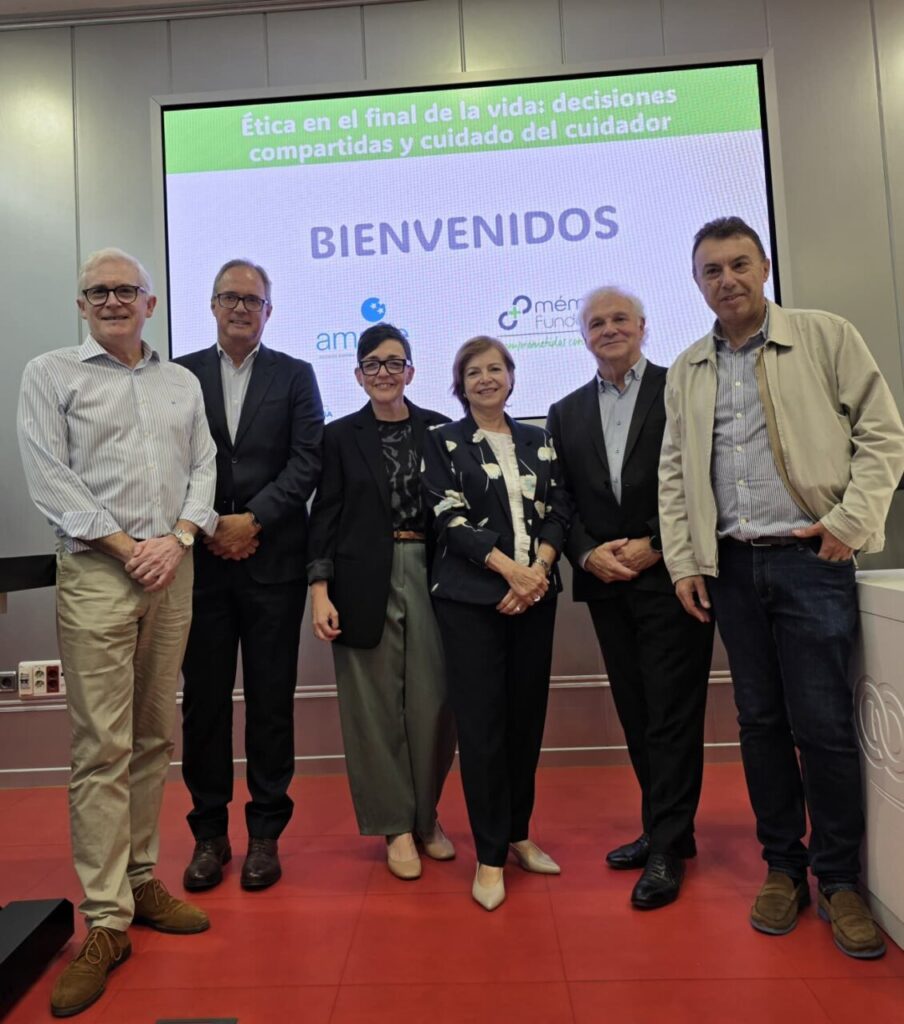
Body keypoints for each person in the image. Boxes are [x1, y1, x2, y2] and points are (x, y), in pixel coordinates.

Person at [659, 216, 904, 958]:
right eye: (711, 270)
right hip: (732, 568)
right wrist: (684, 562)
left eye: (739, 264)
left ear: (764, 267)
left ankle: (840, 880)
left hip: (811, 560)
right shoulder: (688, 368)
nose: (727, 280)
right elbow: (675, 473)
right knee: (760, 724)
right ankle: (783, 867)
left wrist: (849, 523)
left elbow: (884, 434)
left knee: (823, 726)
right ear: (696, 282)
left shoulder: (824, 336)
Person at [17, 248, 218, 1018]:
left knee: (153, 735)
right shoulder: (50, 374)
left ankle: (139, 881)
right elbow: (50, 479)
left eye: (124, 290)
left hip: (173, 569)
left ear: (150, 303)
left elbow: (204, 468)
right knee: (101, 745)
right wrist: (130, 547)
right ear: (81, 304)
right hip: (100, 572)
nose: (111, 300)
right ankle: (106, 921)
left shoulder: (181, 382)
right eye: (96, 291)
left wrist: (179, 537)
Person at [547, 287, 714, 909]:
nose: (609, 329)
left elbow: (703, 478)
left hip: (673, 576)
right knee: (638, 712)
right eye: (597, 322)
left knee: (672, 714)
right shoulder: (564, 411)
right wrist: (587, 553)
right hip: (606, 581)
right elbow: (559, 498)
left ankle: (667, 848)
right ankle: (666, 829)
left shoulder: (680, 389)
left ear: (643, 326)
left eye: (620, 319)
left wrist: (657, 545)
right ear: (583, 336)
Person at [175, 259, 323, 893]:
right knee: (203, 706)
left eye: (252, 300)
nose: (241, 308)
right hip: (200, 563)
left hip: (274, 565)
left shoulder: (295, 375)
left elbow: (307, 459)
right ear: (212, 305)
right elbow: (167, 461)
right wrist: (213, 524)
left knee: (270, 703)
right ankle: (209, 835)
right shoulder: (179, 375)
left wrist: (253, 519)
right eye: (230, 298)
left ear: (269, 310)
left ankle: (266, 833)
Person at [421, 336, 571, 911]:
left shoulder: (539, 440)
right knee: (482, 730)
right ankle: (488, 855)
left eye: (495, 369)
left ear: (511, 376)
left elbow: (560, 509)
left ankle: (517, 833)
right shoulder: (442, 441)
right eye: (473, 372)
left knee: (525, 722)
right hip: (470, 603)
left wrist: (538, 573)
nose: (485, 379)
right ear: (460, 385)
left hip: (536, 596)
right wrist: (511, 573)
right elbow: (448, 517)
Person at [306, 323, 457, 879]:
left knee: (435, 704)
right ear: (358, 375)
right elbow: (325, 516)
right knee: (372, 710)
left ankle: (426, 816)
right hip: (360, 581)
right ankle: (394, 826)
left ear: (411, 372)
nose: (384, 373)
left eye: (395, 363)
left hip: (435, 577)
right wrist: (319, 589)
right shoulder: (339, 437)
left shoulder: (441, 430)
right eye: (372, 364)